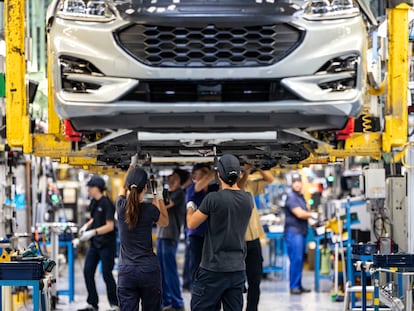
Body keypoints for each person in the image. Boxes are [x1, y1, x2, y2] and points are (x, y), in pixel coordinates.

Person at [187, 154, 253, 311]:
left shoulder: (213, 199)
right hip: (237, 270)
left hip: (213, 270)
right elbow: (237, 192)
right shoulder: (248, 199)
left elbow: (191, 223)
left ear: (218, 175)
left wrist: (190, 205)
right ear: (237, 173)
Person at [115, 156, 168, 311]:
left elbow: (123, 187)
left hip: (127, 272)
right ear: (145, 187)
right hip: (148, 271)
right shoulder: (150, 209)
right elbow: (165, 222)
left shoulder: (120, 207)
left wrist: (132, 165)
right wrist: (157, 195)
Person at [78, 176, 119, 311]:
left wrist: (93, 232)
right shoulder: (94, 202)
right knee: (88, 271)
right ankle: (92, 303)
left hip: (107, 244)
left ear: (96, 188)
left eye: (90, 187)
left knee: (107, 274)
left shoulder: (107, 203)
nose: (88, 190)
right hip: (95, 244)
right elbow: (94, 218)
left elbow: (110, 226)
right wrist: (86, 226)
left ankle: (114, 304)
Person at [237, 162, 274, 311]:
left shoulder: (250, 185)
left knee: (255, 280)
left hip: (254, 240)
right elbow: (239, 186)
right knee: (237, 282)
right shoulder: (230, 187)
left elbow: (270, 179)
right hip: (238, 242)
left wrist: (258, 166)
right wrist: (246, 172)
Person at [183, 163, 219, 291]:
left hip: (212, 236)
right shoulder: (192, 189)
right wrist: (214, 169)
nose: (205, 174)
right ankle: (197, 294)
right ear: (194, 175)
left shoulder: (213, 188)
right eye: (201, 172)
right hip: (196, 235)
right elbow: (200, 184)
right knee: (196, 267)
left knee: (212, 268)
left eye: (207, 172)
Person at [156, 171, 186, 311]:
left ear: (179, 179)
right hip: (161, 235)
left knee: (170, 271)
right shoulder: (168, 192)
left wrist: (159, 192)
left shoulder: (179, 193)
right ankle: (166, 301)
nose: (170, 177)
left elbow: (163, 206)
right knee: (161, 271)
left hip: (170, 236)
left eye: (174, 175)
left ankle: (177, 302)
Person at [283, 172, 316, 295]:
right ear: (292, 184)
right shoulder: (291, 197)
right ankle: (294, 286)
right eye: (294, 182)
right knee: (296, 259)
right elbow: (299, 213)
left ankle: (298, 284)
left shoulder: (300, 196)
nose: (297, 184)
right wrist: (312, 215)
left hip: (300, 232)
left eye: (299, 182)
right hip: (294, 233)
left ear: (301, 183)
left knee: (300, 259)